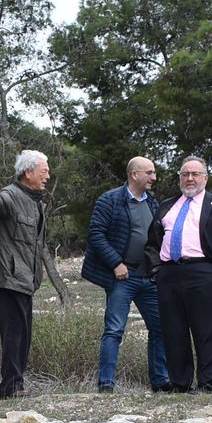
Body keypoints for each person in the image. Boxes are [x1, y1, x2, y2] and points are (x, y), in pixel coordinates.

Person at [145, 155, 212, 394]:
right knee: (173, 331)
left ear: (205, 178)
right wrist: (156, 270)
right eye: (185, 174)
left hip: (203, 272)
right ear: (179, 178)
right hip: (169, 274)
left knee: (206, 331)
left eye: (195, 174)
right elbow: (152, 242)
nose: (190, 178)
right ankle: (180, 384)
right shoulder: (166, 206)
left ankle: (206, 384)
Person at [84, 156, 169, 394]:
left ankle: (161, 382)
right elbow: (96, 235)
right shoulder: (109, 200)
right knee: (114, 330)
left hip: (148, 277)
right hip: (122, 277)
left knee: (160, 327)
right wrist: (116, 263)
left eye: (154, 173)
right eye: (149, 173)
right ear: (134, 174)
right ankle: (106, 384)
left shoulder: (152, 202)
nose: (154, 177)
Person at [0, 150, 53, 399]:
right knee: (14, 335)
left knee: (22, 335)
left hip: (25, 279)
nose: (48, 176)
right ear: (28, 172)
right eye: (44, 171)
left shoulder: (35, 201)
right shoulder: (12, 195)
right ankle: (10, 388)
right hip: (9, 277)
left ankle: (16, 385)